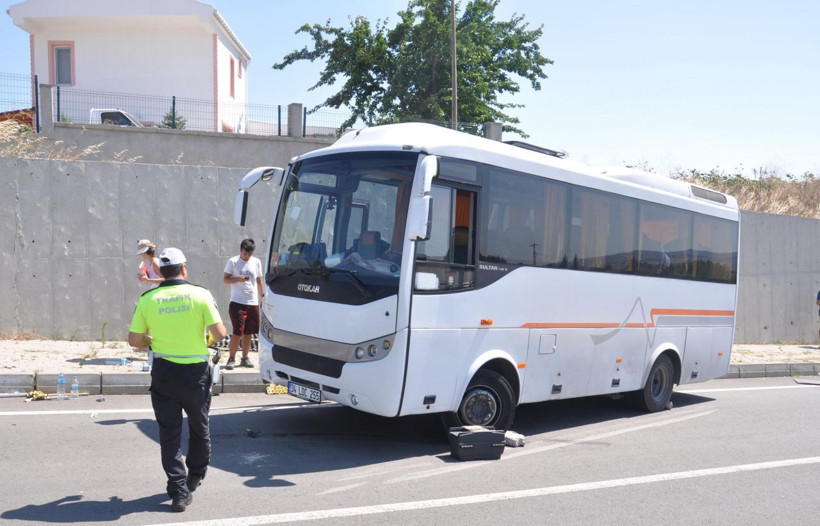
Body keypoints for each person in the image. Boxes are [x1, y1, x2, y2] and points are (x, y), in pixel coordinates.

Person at [128, 247, 227, 513]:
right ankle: (194, 476)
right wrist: (203, 341)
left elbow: (134, 340)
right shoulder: (201, 294)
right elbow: (219, 333)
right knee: (199, 425)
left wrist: (153, 339)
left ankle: (178, 491)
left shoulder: (149, 298)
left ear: (160, 271)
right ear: (184, 269)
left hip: (164, 372)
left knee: (169, 434)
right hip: (195, 373)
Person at [223, 238, 264, 369]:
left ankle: (245, 358)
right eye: (245, 253)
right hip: (237, 302)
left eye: (249, 254)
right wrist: (237, 279)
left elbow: (258, 280)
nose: (247, 256)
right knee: (237, 332)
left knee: (248, 332)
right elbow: (225, 279)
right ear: (241, 250)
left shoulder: (256, 262)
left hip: (252, 302)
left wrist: (262, 296)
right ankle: (231, 358)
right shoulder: (233, 261)